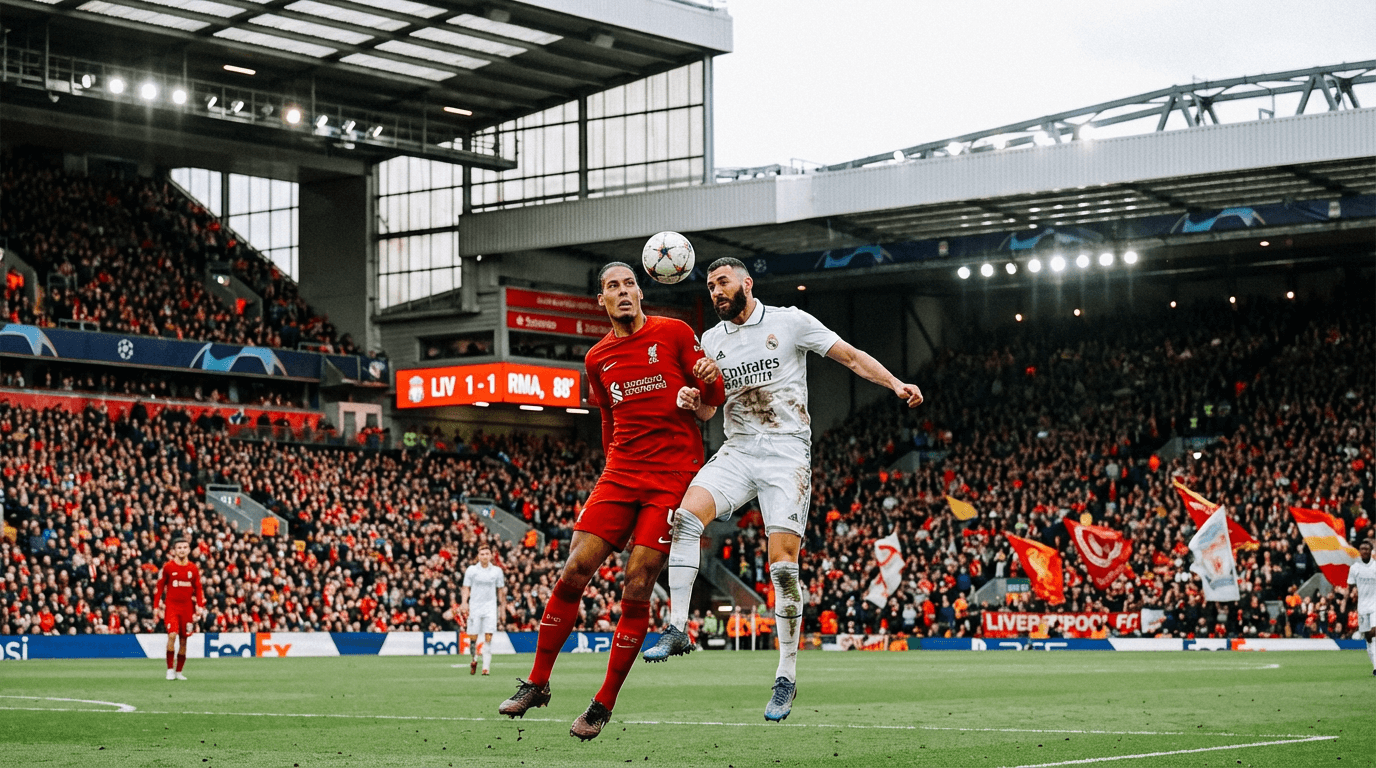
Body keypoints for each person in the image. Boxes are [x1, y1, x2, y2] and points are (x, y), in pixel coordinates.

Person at [643, 256, 922, 722]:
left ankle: (786, 675)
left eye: (723, 282)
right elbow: (709, 410)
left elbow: (851, 356)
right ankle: (677, 627)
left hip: (786, 453)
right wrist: (693, 400)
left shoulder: (790, 322)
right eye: (710, 286)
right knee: (686, 518)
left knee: (783, 571)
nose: (716, 291)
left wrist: (895, 383)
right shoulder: (710, 342)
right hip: (738, 449)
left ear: (747, 283)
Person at [498, 261, 724, 741]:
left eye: (628, 284)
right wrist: (610, 465)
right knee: (573, 570)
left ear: (641, 293)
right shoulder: (597, 357)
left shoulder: (674, 332)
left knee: (636, 583)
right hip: (620, 473)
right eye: (612, 287)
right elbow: (606, 418)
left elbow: (714, 398)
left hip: (671, 475)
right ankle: (537, 683)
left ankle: (602, 703)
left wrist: (708, 377)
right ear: (600, 300)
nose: (622, 292)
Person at [152, 538, 204, 681]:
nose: (182, 550)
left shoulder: (193, 568)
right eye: (179, 547)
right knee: (172, 635)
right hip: (172, 607)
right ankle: (170, 669)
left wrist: (200, 605)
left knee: (183, 640)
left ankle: (179, 671)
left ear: (189, 549)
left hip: (187, 608)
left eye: (185, 547)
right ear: (174, 550)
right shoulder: (168, 567)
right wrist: (156, 606)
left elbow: (198, 588)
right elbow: (159, 587)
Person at [460, 545, 506, 676]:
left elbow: (501, 591)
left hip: (490, 607)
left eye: (487, 553)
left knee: (488, 636)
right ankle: (474, 660)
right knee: (473, 637)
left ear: (491, 555)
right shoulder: (472, 570)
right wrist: (464, 603)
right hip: (475, 606)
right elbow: (466, 587)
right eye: (482, 554)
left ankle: (486, 667)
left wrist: (502, 609)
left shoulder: (497, 571)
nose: (485, 556)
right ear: (478, 556)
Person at [1347, 540, 1376, 676]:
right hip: (1362, 607)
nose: (1364, 551)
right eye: (1362, 549)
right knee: (1368, 638)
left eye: (1367, 549)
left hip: (1375, 605)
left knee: (1374, 634)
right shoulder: (1355, 568)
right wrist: (1347, 601)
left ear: (1371, 551)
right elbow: (1350, 586)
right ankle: (1375, 666)